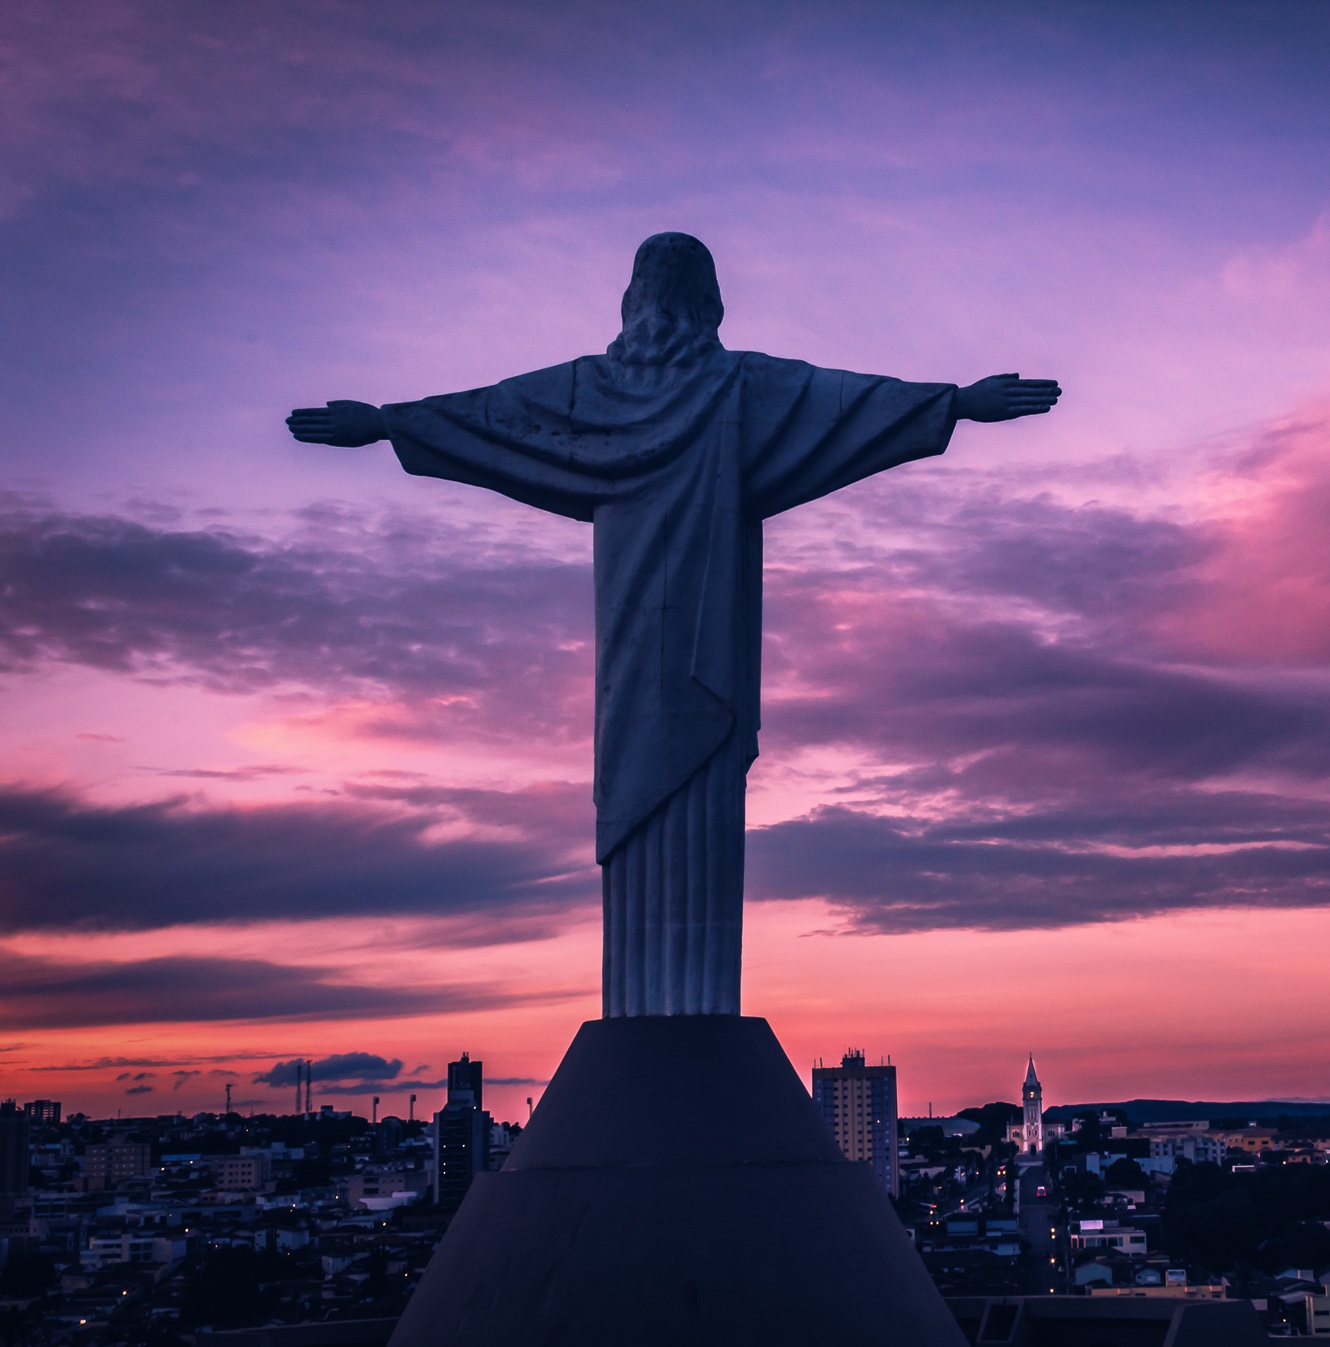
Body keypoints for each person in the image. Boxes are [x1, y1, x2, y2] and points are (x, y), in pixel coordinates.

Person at [288, 232, 1059, 1015]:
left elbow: (491, 418)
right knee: (655, 780)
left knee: (675, 777)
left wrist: (389, 423)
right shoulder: (734, 387)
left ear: (632, 299)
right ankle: (667, 1017)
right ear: (712, 302)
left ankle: (674, 1017)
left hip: (655, 639)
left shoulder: (607, 394)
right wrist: (958, 401)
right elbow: (844, 405)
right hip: (682, 646)